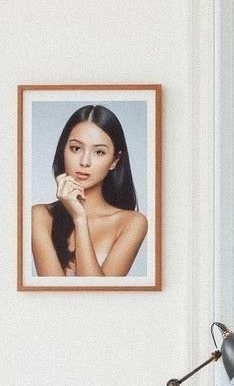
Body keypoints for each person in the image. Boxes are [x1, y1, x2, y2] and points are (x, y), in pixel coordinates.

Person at [31, 104, 147, 277]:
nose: (85, 162)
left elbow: (98, 296)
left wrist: (80, 219)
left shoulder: (132, 223)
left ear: (115, 160)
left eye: (99, 152)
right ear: (63, 150)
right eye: (76, 148)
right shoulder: (40, 216)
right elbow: (53, 297)